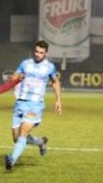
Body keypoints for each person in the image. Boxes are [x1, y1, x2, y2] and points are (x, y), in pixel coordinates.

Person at [5, 40, 62, 170]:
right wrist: (14, 79)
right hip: (20, 102)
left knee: (24, 131)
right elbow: (15, 76)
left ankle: (11, 160)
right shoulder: (25, 64)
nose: (38, 54)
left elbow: (55, 82)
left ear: (46, 53)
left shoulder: (49, 67)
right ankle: (40, 142)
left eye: (41, 52)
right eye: (36, 51)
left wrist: (58, 100)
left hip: (35, 105)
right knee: (16, 137)